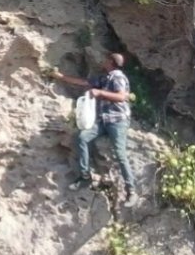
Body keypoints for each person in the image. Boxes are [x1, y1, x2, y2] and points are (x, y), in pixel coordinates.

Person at [49, 53, 138, 206]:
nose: (103, 61)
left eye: (106, 60)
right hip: (103, 121)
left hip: (118, 121)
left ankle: (131, 191)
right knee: (82, 137)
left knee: (120, 153)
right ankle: (85, 177)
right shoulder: (105, 78)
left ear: (111, 62)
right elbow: (84, 82)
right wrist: (60, 77)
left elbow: (122, 97)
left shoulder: (118, 77)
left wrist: (100, 92)